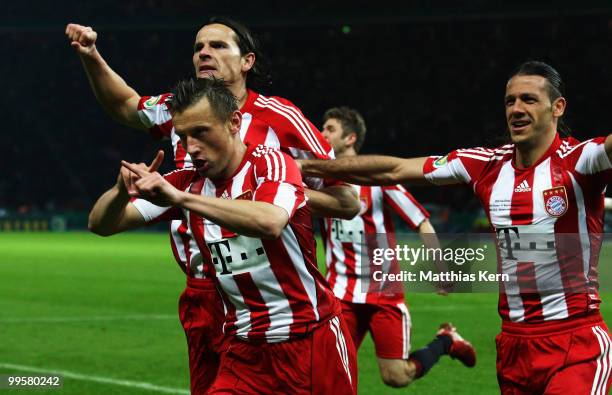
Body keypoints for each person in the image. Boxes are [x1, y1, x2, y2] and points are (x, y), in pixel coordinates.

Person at [66, 18, 359, 394]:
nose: (204, 52)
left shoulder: (277, 136)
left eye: (218, 46)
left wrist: (279, 193)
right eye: (198, 47)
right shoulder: (181, 127)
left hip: (296, 309)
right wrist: (90, 55)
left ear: (247, 61)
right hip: (210, 296)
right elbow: (126, 107)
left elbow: (343, 201)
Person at [299, 61, 612, 394]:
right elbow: (395, 169)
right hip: (514, 346)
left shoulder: (582, 160)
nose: (516, 109)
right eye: (510, 101)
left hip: (575, 345)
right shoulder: (485, 165)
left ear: (557, 107)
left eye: (529, 99)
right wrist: (307, 166)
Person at [320, 106, 476, 388]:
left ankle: (446, 341)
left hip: (383, 292)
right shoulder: (320, 181)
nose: (322, 134)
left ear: (350, 139)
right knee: (331, 371)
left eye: (330, 129)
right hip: (341, 293)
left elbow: (421, 222)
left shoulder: (377, 180)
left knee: (396, 376)